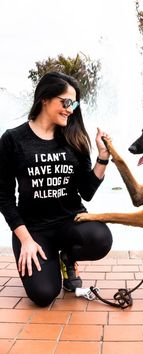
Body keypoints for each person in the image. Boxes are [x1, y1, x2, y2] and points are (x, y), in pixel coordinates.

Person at [0, 71, 113, 307]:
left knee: (101, 238)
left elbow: (87, 192)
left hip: (70, 223)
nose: (70, 109)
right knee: (43, 294)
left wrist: (102, 158)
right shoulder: (13, 139)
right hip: (34, 232)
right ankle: (52, 260)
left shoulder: (74, 138)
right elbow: (4, 196)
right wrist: (26, 241)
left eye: (74, 103)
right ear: (45, 98)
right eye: (66, 102)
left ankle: (67, 258)